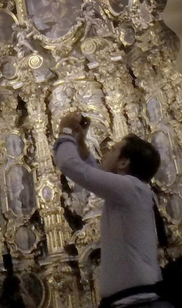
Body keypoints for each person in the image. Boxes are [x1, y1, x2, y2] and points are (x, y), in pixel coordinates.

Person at [53, 115, 171, 308]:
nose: (106, 151)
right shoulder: (134, 190)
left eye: (113, 149)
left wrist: (65, 131)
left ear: (124, 162)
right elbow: (93, 173)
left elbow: (71, 166)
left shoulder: (130, 188)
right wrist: (80, 143)